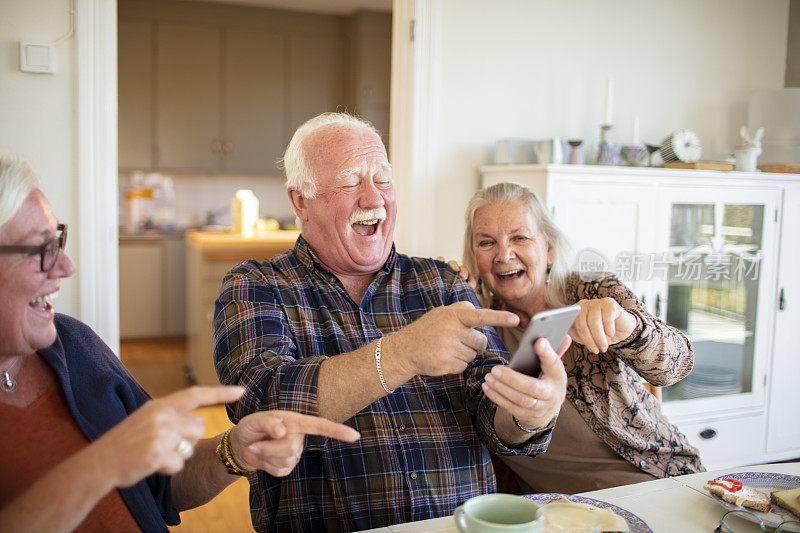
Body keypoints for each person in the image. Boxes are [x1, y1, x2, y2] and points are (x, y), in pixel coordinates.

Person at [213, 113, 571, 532]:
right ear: (300, 202)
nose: (373, 198)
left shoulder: (442, 282)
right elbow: (261, 405)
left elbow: (494, 419)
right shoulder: (255, 286)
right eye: (350, 182)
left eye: (383, 179)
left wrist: (532, 410)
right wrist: (402, 353)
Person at [0, 155, 361, 533]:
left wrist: (235, 451)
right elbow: (116, 462)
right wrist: (102, 464)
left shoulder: (74, 345)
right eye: (38, 249)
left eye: (57, 239)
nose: (65, 266)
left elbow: (162, 486)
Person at [458, 181, 705, 494]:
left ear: (548, 250)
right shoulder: (476, 320)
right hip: (565, 512)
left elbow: (677, 365)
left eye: (520, 237)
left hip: (656, 479)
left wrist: (627, 328)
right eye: (486, 243)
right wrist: (445, 282)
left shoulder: (592, 289)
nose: (504, 254)